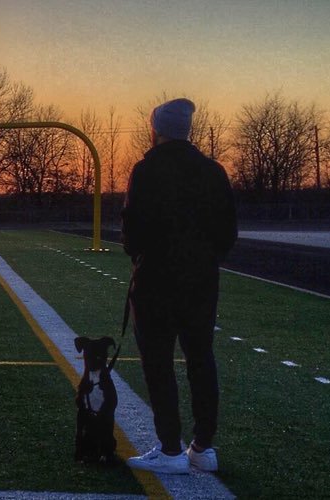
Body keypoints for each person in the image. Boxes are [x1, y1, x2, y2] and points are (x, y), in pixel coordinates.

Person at [121, 98, 237, 474]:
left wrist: (146, 257)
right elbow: (227, 233)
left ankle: (170, 448)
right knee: (201, 360)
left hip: (156, 281)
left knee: (159, 364)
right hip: (201, 282)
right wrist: (201, 260)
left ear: (156, 129)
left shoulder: (146, 171)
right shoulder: (213, 172)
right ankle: (202, 447)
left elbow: (131, 233)